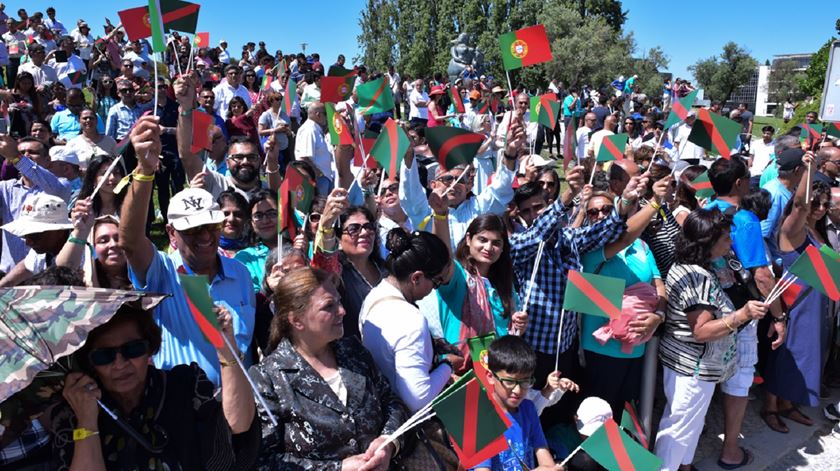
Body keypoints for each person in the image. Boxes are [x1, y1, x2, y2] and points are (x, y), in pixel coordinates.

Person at [120, 116, 256, 386]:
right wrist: (145, 170)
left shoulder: (240, 273)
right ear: (171, 234)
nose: (205, 236)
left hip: (242, 407)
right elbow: (131, 241)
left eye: (211, 226)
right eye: (192, 230)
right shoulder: (163, 274)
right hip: (187, 415)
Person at [52, 303, 259, 470]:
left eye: (133, 349)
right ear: (89, 361)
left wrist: (225, 347)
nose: (120, 364)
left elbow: (238, 425)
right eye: (104, 356)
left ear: (150, 347)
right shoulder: (73, 412)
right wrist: (87, 420)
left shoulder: (184, 384)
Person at [249, 267, 407, 469]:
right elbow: (265, 461)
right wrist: (338, 468)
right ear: (296, 320)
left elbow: (392, 402)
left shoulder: (353, 351)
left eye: (339, 301)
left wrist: (388, 442)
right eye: (328, 306)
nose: (342, 311)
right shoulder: (268, 378)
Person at [654, 209, 768, 471]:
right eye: (726, 238)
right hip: (691, 369)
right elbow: (701, 331)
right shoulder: (696, 277)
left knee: (690, 424)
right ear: (708, 242)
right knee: (677, 429)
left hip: (695, 367)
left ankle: (684, 466)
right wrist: (742, 315)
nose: (731, 243)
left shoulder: (694, 268)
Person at [579, 179, 671, 419]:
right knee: (598, 419)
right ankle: (594, 458)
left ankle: (622, 456)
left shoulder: (641, 245)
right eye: (593, 212)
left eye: (607, 210)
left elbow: (658, 286)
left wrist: (657, 317)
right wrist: (654, 203)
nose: (600, 215)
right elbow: (624, 238)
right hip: (601, 351)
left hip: (637, 349)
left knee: (627, 414)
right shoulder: (589, 251)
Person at [360, 228, 462, 412]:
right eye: (436, 282)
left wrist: (432, 346)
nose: (435, 289)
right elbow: (418, 399)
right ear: (416, 277)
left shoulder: (373, 295)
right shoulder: (411, 320)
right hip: (407, 425)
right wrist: (448, 365)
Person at [763, 152, 829, 431]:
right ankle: (769, 408)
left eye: (825, 204)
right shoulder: (793, 229)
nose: (820, 208)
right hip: (794, 302)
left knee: (803, 355)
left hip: (815, 302)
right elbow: (800, 206)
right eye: (816, 203)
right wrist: (809, 169)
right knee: (785, 354)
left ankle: (787, 404)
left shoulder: (816, 232)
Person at [400, 112, 519, 248]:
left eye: (460, 180)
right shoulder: (425, 213)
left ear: (469, 186)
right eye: (447, 179)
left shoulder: (478, 207)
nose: (453, 185)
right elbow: (410, 195)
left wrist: (510, 153)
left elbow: (500, 189)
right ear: (433, 184)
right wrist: (408, 156)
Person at [425, 212, 526, 360]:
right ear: (468, 239)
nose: (488, 247)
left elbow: (508, 330)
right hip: (461, 371)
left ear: (503, 248)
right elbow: (441, 259)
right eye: (482, 240)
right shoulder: (458, 277)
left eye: (496, 243)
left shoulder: (505, 284)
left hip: (497, 368)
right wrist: (440, 215)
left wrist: (519, 327)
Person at [175, 76, 281, 201]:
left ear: (259, 160)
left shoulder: (265, 193)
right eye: (238, 157)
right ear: (227, 161)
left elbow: (278, 199)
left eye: (252, 157)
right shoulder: (216, 184)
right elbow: (187, 155)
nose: (245, 161)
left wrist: (273, 162)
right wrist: (185, 108)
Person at [473, 335, 564, 471]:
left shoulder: (528, 408)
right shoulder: (479, 417)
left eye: (525, 382)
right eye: (509, 382)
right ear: (491, 377)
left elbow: (546, 461)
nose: (517, 390)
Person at [0, 135, 72, 274]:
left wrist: (16, 157)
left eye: (33, 152)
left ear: (48, 161)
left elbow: (54, 187)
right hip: (8, 275)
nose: (27, 156)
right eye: (22, 153)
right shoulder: (5, 188)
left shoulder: (60, 185)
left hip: (43, 275)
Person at [0, 193, 73, 286]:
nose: (28, 242)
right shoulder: (42, 250)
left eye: (35, 236)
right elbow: (26, 267)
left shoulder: (84, 254)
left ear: (60, 232)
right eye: (25, 235)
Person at [234, 190, 280, 291]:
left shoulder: (304, 247)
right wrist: (268, 287)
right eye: (258, 216)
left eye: (272, 214)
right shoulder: (245, 258)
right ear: (251, 223)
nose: (265, 221)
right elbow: (249, 299)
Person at [294, 101, 333, 195]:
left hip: (323, 177)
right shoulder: (309, 130)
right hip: (317, 179)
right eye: (325, 114)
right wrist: (318, 174)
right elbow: (304, 158)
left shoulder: (315, 129)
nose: (327, 117)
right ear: (318, 115)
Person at [217, 190, 250, 257]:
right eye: (225, 214)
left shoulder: (255, 251)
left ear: (245, 218)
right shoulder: (207, 249)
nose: (231, 219)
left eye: (237, 214)